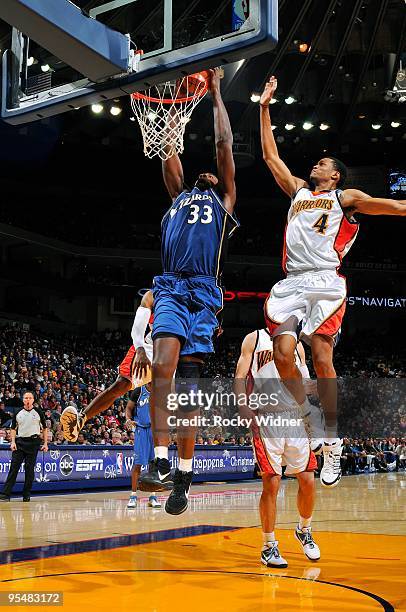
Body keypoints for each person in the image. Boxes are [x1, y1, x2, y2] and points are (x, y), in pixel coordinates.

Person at [259, 75, 406, 488]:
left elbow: (394, 206)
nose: (317, 164)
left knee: (322, 356)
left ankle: (334, 439)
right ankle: (309, 413)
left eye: (324, 163)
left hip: (325, 281)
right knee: (283, 355)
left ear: (336, 176)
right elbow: (272, 159)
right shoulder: (298, 193)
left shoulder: (346, 199)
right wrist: (264, 106)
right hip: (291, 282)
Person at [139, 67, 238, 515]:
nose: (207, 174)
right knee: (163, 370)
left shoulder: (225, 202)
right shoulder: (176, 195)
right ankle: (159, 463)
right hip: (173, 289)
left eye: (213, 175)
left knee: (189, 397)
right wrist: (170, 109)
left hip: (204, 294)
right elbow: (166, 147)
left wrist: (216, 94)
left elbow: (223, 147)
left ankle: (183, 474)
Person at [235, 329, 319, 568]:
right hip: (266, 417)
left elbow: (304, 384)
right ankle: (268, 545)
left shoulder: (299, 346)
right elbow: (240, 375)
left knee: (307, 479)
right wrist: (242, 405)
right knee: (271, 482)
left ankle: (304, 530)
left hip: (294, 417)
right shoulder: (253, 338)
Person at [60, 290, 154, 442]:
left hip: (178, 352)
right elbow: (137, 329)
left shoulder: (189, 297)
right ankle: (80, 420)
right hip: (152, 347)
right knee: (122, 384)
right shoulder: (152, 296)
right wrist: (140, 350)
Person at [0, 392, 48, 502]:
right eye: (26, 397)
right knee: (14, 469)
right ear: (23, 400)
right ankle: (6, 494)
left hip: (33, 443)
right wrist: (13, 442)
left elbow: (45, 428)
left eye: (30, 398)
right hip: (20, 442)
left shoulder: (38, 412)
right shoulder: (18, 412)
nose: (27, 399)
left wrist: (45, 443)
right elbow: (13, 428)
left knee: (29, 470)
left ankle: (26, 494)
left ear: (33, 400)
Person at [125, 383, 162, 509]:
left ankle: (152, 497)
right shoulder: (138, 391)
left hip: (155, 430)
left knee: (153, 464)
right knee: (138, 464)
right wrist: (127, 419)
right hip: (141, 429)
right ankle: (133, 496)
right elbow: (129, 408)